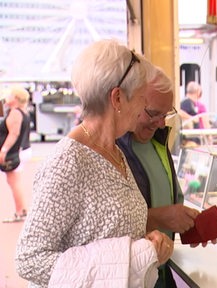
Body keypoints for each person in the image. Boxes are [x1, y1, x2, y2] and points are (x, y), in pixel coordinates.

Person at [15, 39, 174, 288]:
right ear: (118, 98)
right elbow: (29, 259)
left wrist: (145, 246)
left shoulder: (114, 151)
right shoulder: (68, 162)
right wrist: (122, 263)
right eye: (142, 98)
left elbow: (105, 235)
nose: (145, 107)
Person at [117, 66, 205, 288]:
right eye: (153, 113)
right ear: (131, 101)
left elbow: (171, 199)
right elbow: (106, 227)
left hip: (161, 275)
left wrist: (193, 225)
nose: (161, 123)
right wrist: (160, 217)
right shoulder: (111, 150)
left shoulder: (158, 140)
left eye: (166, 114)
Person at [0, 86, 31, 222]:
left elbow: (14, 133)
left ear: (16, 98)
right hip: (18, 150)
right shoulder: (20, 111)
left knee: (13, 182)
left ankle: (20, 211)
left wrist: (4, 150)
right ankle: (22, 209)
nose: (7, 97)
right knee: (13, 181)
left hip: (13, 152)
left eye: (10, 95)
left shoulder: (15, 113)